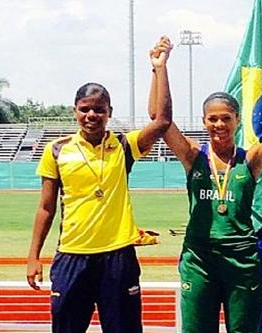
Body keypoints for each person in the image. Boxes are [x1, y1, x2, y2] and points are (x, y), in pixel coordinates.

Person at [26, 36, 172, 333]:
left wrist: (159, 69)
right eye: (85, 109)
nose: (91, 115)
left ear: (109, 112)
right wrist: (32, 257)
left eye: (99, 109)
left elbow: (162, 121)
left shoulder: (123, 145)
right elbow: (45, 207)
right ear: (75, 111)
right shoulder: (56, 149)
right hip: (71, 256)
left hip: (117, 257)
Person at [148, 70, 262, 331]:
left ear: (237, 120)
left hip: (242, 260)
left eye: (226, 118)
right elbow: (160, 120)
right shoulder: (193, 156)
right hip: (200, 259)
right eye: (213, 119)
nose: (219, 125)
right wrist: (160, 68)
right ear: (204, 121)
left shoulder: (251, 160)